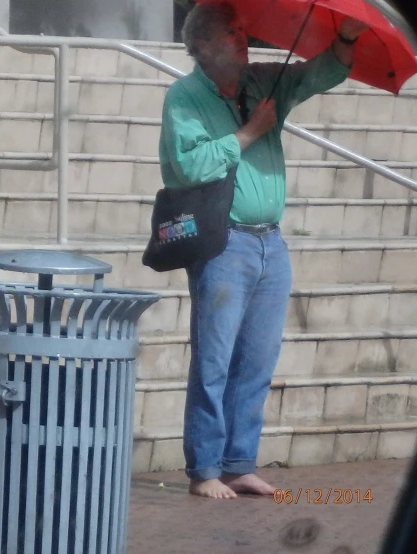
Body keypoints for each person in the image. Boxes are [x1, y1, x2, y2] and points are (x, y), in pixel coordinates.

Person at [159, 1, 369, 499]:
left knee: (258, 358)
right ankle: (205, 469)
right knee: (214, 357)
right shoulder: (185, 96)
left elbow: (318, 75)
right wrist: (248, 133)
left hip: (271, 241)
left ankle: (238, 461)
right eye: (232, 33)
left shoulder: (261, 81)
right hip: (224, 241)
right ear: (203, 45)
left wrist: (348, 38)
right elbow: (186, 167)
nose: (243, 38)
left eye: (243, 31)